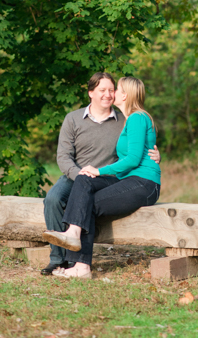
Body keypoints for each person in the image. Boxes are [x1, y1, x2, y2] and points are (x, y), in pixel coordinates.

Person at [41, 76, 161, 279]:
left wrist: (157, 155)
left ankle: (79, 262)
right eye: (103, 90)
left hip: (133, 180)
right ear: (90, 93)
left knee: (85, 202)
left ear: (123, 94)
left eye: (114, 89)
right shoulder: (74, 118)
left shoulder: (131, 118)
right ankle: (66, 256)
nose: (109, 94)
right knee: (66, 193)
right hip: (83, 175)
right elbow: (63, 155)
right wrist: (84, 172)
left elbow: (135, 156)